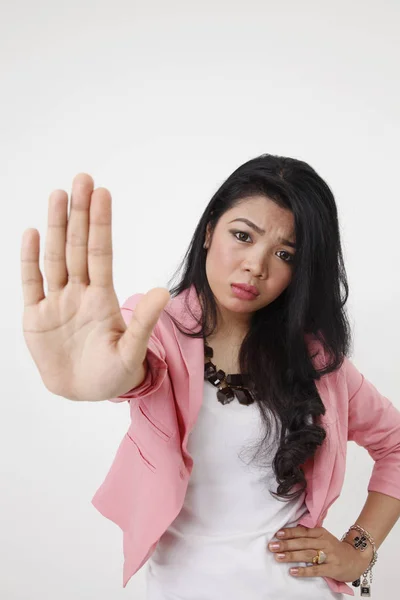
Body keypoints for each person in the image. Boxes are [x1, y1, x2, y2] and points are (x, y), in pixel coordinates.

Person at [21, 154, 400, 599]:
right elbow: (130, 368)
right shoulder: (152, 328)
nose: (256, 265)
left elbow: (394, 444)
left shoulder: (318, 361)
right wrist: (100, 380)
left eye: (284, 254)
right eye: (242, 235)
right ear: (208, 232)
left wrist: (359, 549)